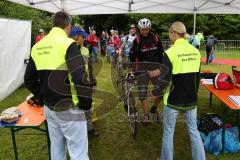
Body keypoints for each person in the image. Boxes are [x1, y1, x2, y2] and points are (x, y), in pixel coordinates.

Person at [24, 11, 89, 160]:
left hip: (50, 108)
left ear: (54, 25)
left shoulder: (38, 46)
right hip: (69, 108)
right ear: (68, 25)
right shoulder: (68, 44)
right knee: (78, 152)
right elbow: (80, 78)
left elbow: (29, 80)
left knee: (57, 149)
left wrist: (42, 96)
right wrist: (86, 103)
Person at [149, 21, 205, 160]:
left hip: (173, 99)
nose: (169, 36)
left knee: (168, 131)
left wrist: (156, 93)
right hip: (191, 98)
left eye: (169, 33)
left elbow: (166, 79)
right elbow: (197, 77)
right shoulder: (195, 51)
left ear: (174, 33)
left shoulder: (169, 52)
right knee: (193, 130)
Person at [129, 18, 164, 124]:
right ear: (139, 29)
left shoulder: (156, 39)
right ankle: (145, 115)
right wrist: (132, 69)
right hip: (142, 69)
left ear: (149, 28)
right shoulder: (137, 40)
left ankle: (154, 107)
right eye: (142, 29)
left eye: (146, 29)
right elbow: (132, 56)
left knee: (161, 91)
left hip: (155, 69)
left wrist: (160, 68)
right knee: (142, 93)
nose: (144, 31)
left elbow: (161, 55)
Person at [69, 27, 99, 137]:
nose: (85, 38)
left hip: (85, 85)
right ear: (76, 37)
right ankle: (78, 132)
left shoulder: (85, 50)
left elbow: (89, 68)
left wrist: (93, 82)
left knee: (88, 107)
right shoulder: (67, 50)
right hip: (72, 87)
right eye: (82, 36)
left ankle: (90, 128)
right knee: (76, 110)